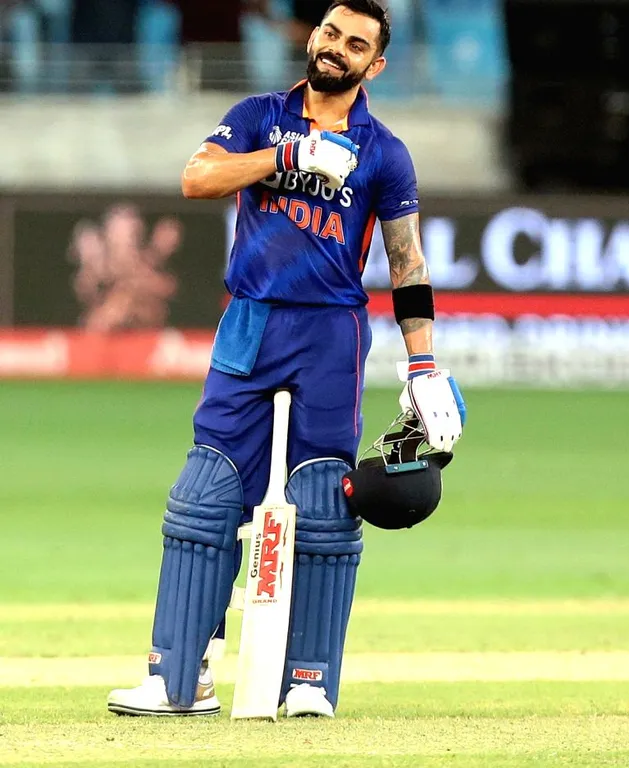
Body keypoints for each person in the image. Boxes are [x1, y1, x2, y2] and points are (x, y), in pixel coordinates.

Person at [107, 0, 464, 719]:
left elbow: (407, 260)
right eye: (331, 33)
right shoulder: (258, 115)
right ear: (315, 37)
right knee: (207, 493)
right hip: (251, 319)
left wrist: (423, 364)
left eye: (355, 42)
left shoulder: (385, 153)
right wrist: (288, 156)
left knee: (323, 502)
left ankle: (307, 682)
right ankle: (180, 678)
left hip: (331, 333)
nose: (336, 47)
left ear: (376, 64)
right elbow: (197, 178)